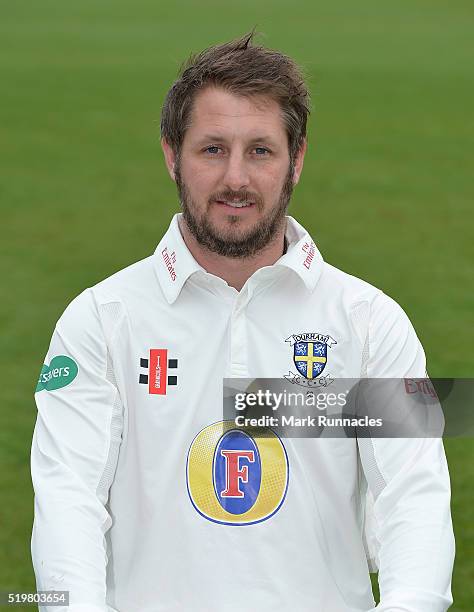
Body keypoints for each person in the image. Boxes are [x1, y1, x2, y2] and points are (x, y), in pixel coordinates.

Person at [31, 33, 455, 612]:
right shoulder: (101, 320)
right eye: (212, 150)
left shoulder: (373, 323)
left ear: (297, 159)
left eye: (260, 150)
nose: (236, 178)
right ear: (170, 155)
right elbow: (66, 500)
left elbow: (414, 498)